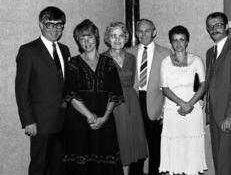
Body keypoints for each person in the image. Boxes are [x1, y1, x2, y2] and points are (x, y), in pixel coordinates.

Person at [62, 19, 124, 175]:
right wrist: (90, 116)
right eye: (82, 38)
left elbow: (114, 93)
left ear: (96, 37)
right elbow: (71, 94)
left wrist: (104, 118)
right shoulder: (73, 63)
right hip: (78, 122)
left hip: (105, 121)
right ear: (78, 41)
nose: (86, 41)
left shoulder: (109, 62)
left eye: (89, 37)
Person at [15, 6, 70, 175]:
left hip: (63, 120)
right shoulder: (28, 51)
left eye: (59, 25)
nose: (55, 29)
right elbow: (21, 89)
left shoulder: (65, 49)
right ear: (41, 24)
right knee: (40, 166)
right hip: (40, 122)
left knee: (58, 166)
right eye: (50, 24)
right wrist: (28, 120)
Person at [159, 25, 208, 175]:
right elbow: (165, 88)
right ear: (171, 43)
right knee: (175, 144)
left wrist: (190, 104)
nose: (179, 43)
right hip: (173, 109)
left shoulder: (196, 60)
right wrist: (182, 104)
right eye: (175, 40)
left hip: (194, 108)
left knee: (191, 144)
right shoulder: (165, 62)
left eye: (182, 39)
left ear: (187, 42)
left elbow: (204, 85)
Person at [102, 21, 148, 175]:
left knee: (128, 144)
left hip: (130, 105)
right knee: (115, 144)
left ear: (126, 38)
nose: (117, 39)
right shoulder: (102, 58)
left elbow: (132, 81)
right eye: (113, 36)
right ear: (107, 38)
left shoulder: (131, 58)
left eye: (121, 35)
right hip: (112, 105)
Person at [205, 12, 231, 175]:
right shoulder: (210, 52)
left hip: (228, 116)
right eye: (210, 26)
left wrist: (230, 116)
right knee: (222, 160)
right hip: (214, 114)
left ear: (227, 27)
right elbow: (212, 82)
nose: (214, 29)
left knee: (223, 163)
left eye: (218, 25)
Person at [127, 18, 171, 175]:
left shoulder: (166, 53)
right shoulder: (128, 52)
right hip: (134, 104)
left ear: (154, 32)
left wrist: (166, 110)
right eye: (139, 31)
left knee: (156, 149)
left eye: (147, 30)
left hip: (156, 105)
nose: (143, 34)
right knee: (136, 148)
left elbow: (170, 84)